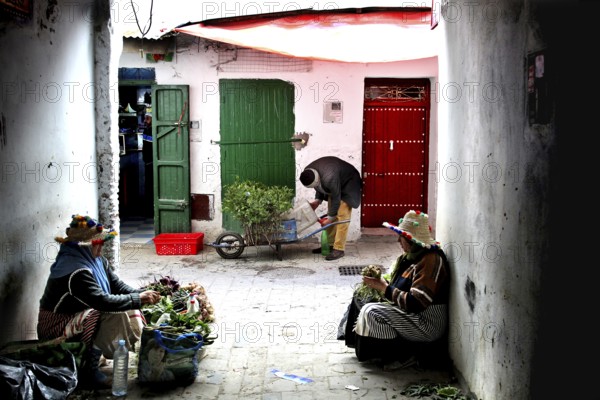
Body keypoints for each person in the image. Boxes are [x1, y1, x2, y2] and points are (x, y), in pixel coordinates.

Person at [37, 214, 161, 387]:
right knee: (113, 314)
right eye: (98, 244)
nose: (101, 247)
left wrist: (141, 294)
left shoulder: (97, 261)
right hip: (57, 325)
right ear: (85, 246)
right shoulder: (75, 271)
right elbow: (103, 302)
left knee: (130, 305)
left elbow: (116, 286)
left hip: (80, 316)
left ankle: (99, 352)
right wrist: (137, 298)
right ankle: (89, 368)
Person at [338, 210, 450, 366]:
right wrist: (380, 283)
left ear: (412, 241)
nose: (398, 241)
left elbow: (416, 303)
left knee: (371, 312)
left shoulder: (431, 260)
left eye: (402, 237)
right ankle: (360, 345)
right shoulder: (408, 258)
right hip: (411, 314)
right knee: (361, 297)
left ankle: (402, 355)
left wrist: (384, 288)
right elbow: (397, 283)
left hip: (426, 321)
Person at [299, 156, 362, 260]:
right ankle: (330, 245)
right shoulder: (308, 172)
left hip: (349, 183)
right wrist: (317, 201)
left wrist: (330, 219)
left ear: (317, 178)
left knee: (342, 217)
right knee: (331, 213)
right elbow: (318, 186)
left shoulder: (330, 177)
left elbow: (336, 199)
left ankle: (339, 249)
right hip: (336, 184)